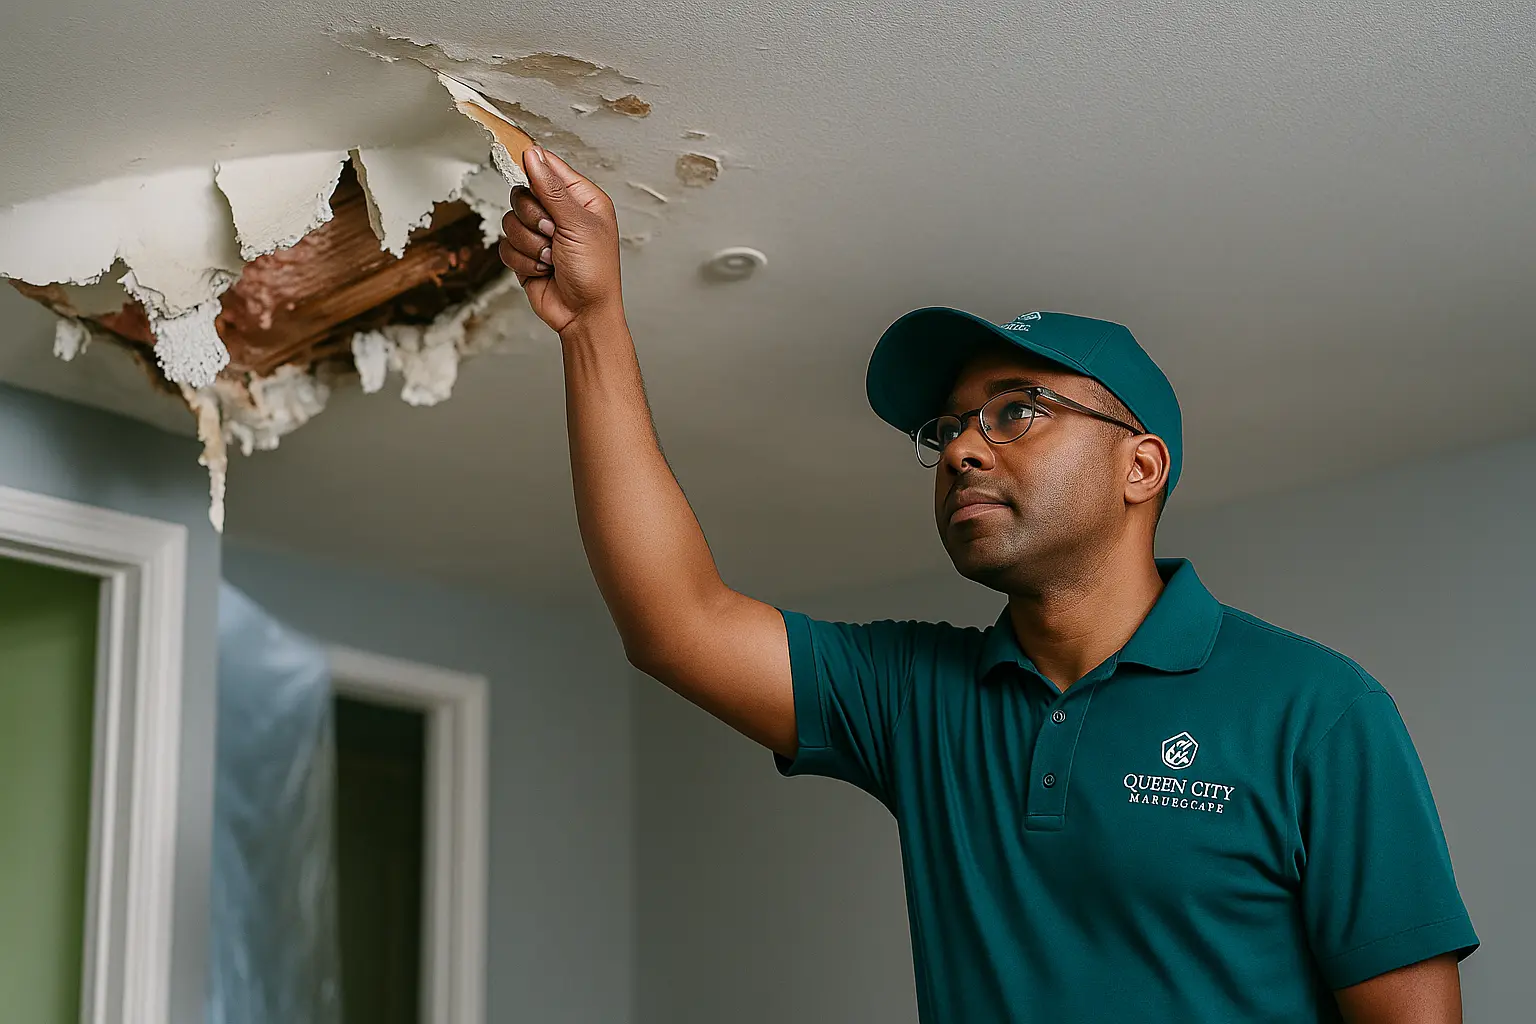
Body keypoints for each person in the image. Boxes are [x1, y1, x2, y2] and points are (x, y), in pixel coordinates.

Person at [497, 147, 1478, 1023]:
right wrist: (592, 321)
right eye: (950, 428)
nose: (962, 446)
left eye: (1018, 411)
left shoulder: (1317, 711)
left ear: (1142, 468)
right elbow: (679, 619)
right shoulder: (922, 697)